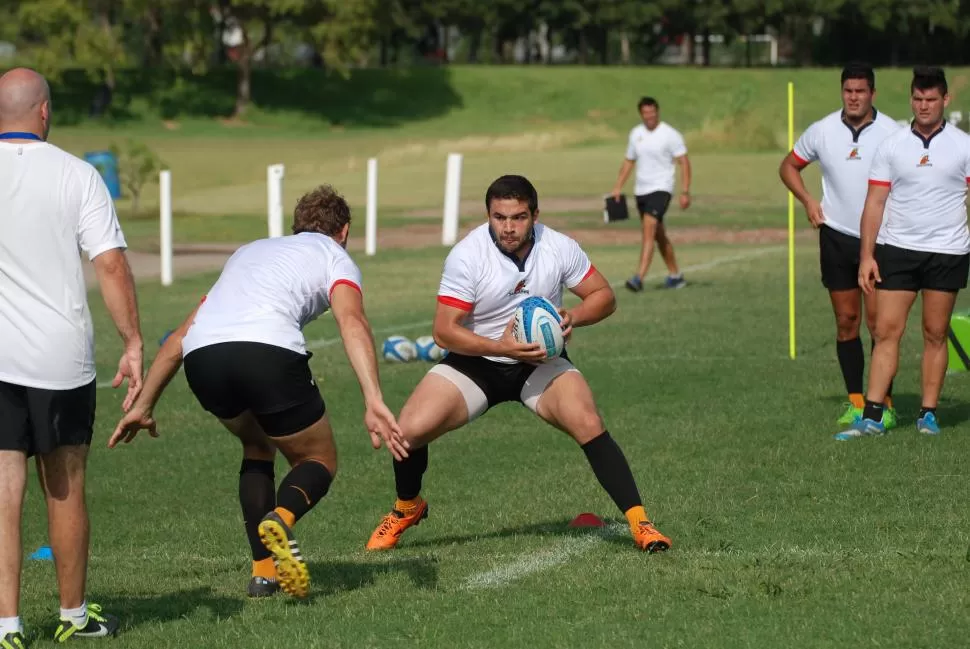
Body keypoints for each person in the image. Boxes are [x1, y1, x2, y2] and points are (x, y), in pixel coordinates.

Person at [110, 185, 408, 599]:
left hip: (204, 358)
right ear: (344, 231)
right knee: (317, 458)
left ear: (295, 226)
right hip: (266, 352)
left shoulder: (249, 251)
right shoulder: (334, 255)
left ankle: (263, 573)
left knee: (257, 445)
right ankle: (282, 519)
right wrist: (373, 398)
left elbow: (180, 337)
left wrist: (144, 405)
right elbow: (352, 321)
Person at [364, 175, 671, 553]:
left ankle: (642, 525)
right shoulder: (467, 255)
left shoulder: (558, 246)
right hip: (477, 361)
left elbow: (604, 296)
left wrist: (574, 316)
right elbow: (444, 331)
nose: (508, 227)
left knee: (589, 422)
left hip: (540, 363)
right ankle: (407, 507)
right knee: (407, 433)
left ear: (535, 215)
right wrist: (503, 347)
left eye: (519, 217)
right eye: (499, 217)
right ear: (489, 215)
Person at [0, 68, 142, 646]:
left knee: (4, 489)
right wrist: (132, 342)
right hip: (59, 359)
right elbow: (109, 264)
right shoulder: (78, 175)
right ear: (44, 112)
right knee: (65, 486)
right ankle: (72, 616)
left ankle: (6, 625)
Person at [836, 66, 970, 440]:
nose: (924, 106)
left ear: (946, 100)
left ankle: (928, 414)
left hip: (947, 251)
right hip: (898, 250)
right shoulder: (892, 145)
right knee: (885, 331)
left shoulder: (964, 145)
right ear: (911, 99)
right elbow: (875, 202)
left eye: (931, 99)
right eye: (917, 98)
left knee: (935, 332)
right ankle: (873, 415)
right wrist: (867, 255)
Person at [779, 62, 901, 428]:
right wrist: (807, 201)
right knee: (847, 322)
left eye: (860, 91)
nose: (853, 97)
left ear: (872, 94)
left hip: (880, 240)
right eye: (848, 90)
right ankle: (856, 400)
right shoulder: (823, 130)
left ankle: (885, 404)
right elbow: (788, 166)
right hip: (835, 238)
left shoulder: (893, 132)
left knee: (880, 326)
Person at [610, 97, 691, 292]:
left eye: (652, 112)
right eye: (646, 113)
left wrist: (685, 191)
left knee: (648, 229)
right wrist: (618, 187)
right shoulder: (636, 134)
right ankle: (675, 276)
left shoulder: (670, 134)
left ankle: (638, 277)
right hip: (641, 191)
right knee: (658, 235)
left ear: (658, 111)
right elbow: (629, 161)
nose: (650, 116)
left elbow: (684, 162)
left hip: (662, 188)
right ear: (641, 114)